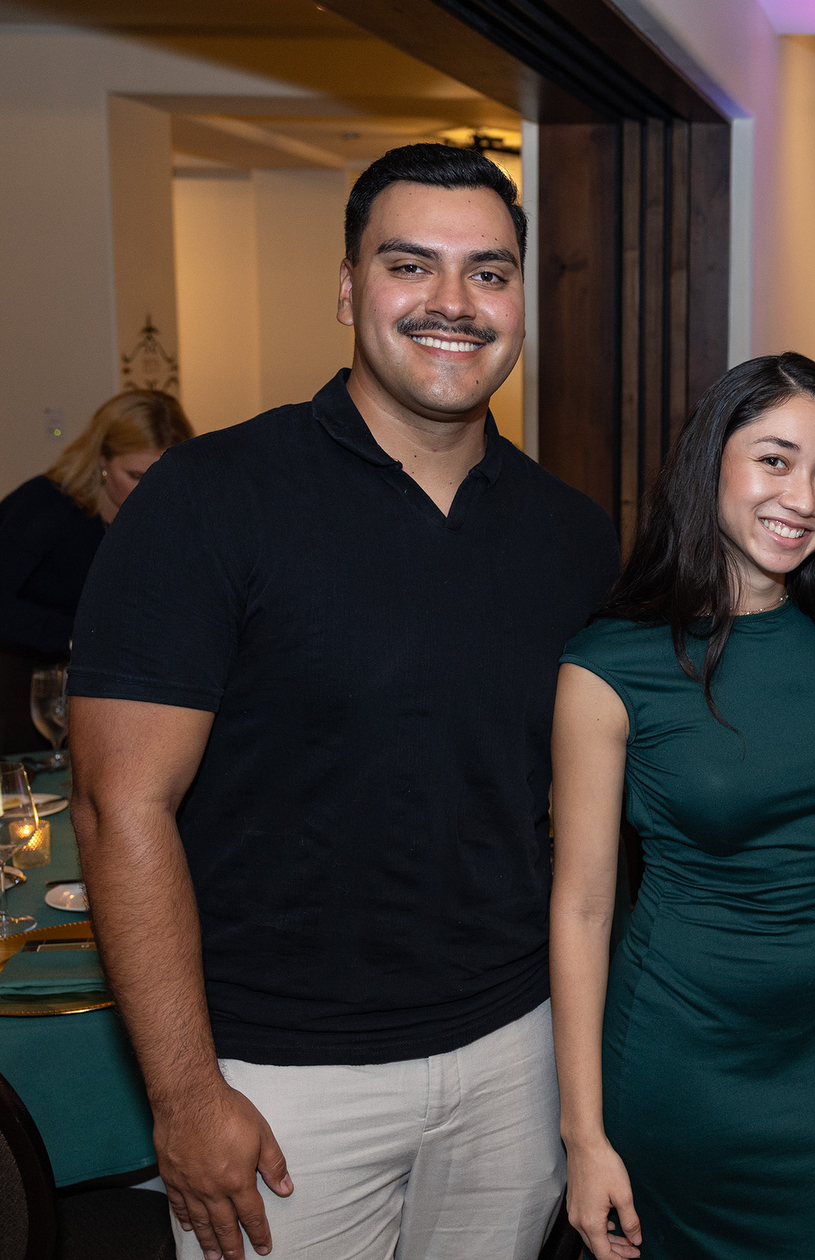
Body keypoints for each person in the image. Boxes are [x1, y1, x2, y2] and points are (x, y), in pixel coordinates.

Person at [67, 143, 617, 1260]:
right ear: (346, 288)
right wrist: (185, 1095)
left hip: (513, 1058)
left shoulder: (571, 533)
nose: (453, 302)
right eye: (410, 265)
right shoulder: (210, 497)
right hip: (281, 1083)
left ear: (521, 302)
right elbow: (118, 804)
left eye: (489, 272)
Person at [552, 352, 815, 1260]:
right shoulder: (610, 666)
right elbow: (582, 909)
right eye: (774, 460)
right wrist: (583, 1138)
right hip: (679, 1062)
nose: (803, 498)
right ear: (712, 462)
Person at [0, 390, 190, 750]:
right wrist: (79, 636)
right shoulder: (44, 507)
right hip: (27, 687)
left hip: (114, 686)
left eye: (161, 476)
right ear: (101, 460)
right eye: (135, 475)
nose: (149, 492)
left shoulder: (169, 518)